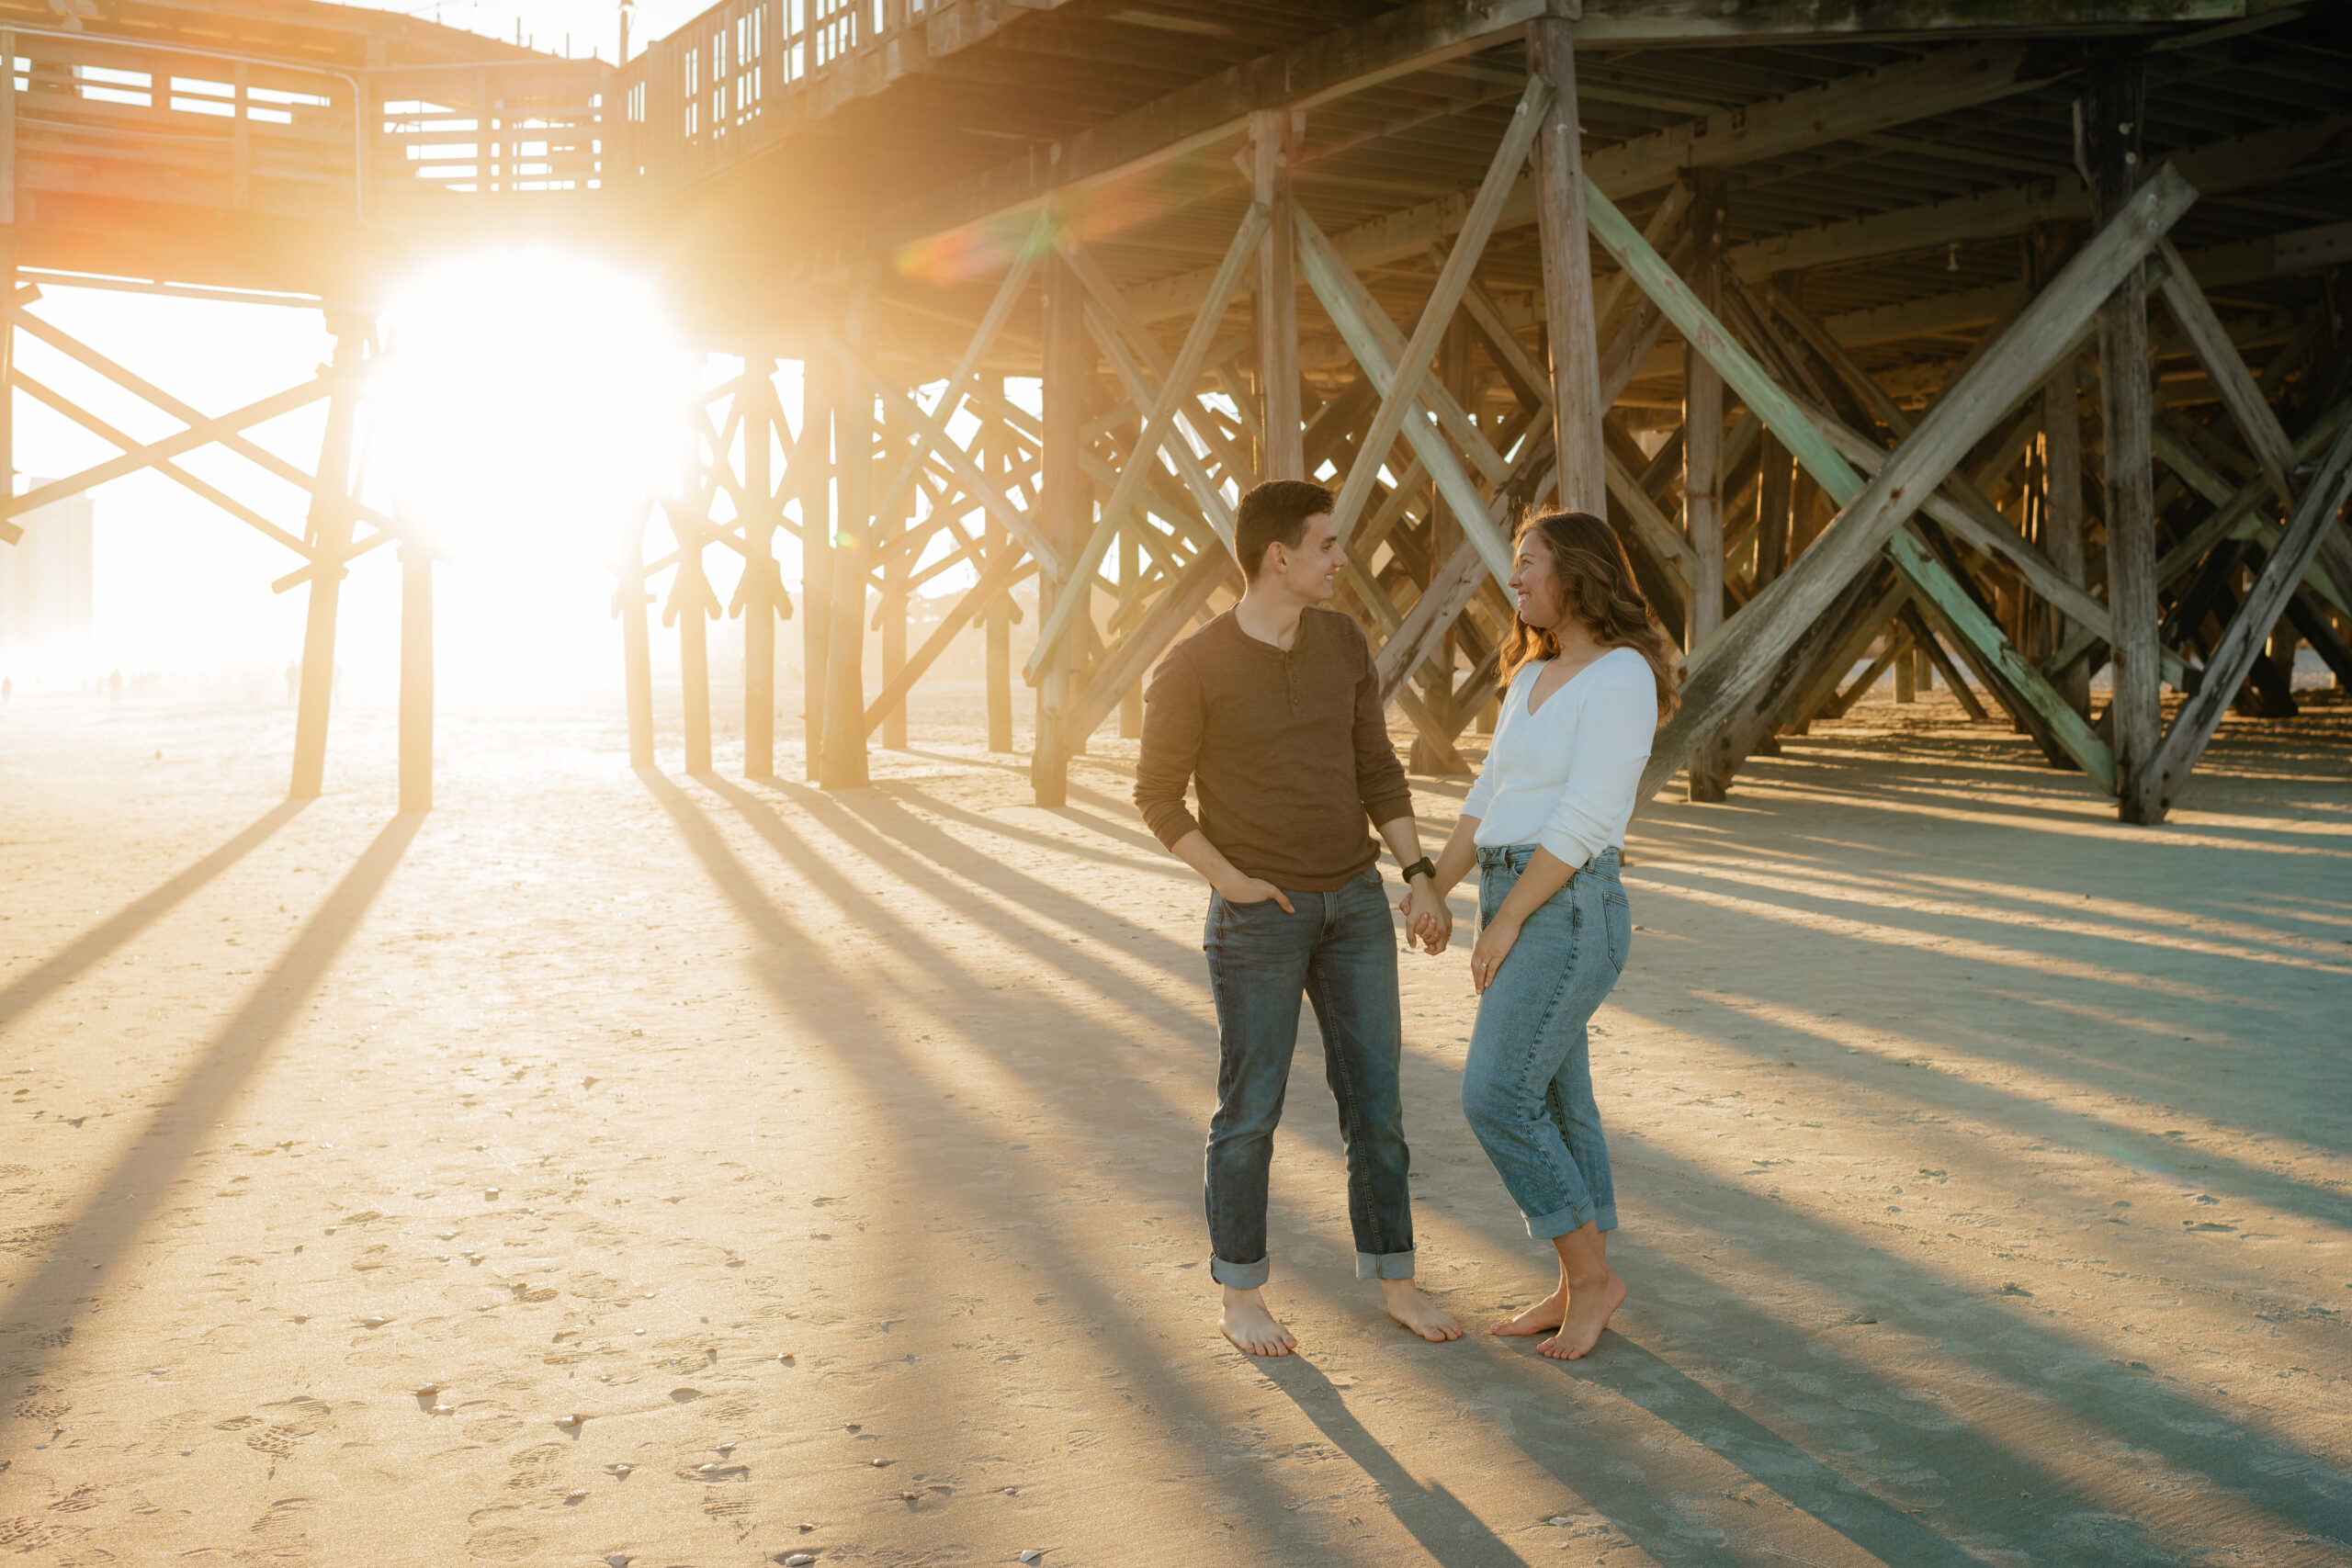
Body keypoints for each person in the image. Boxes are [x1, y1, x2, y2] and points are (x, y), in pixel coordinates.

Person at [1135, 479, 1462, 1358]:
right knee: (1250, 1110)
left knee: (1377, 1107)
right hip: (1260, 918)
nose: (1341, 558)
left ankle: (1395, 1277)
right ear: (1280, 556)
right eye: (1327, 544)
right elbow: (1157, 798)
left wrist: (1419, 872)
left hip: (1355, 900)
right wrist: (1231, 884)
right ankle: (1241, 1297)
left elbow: (1376, 766)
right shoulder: (1193, 666)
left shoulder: (1342, 640)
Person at [1415, 510, 1679, 1360]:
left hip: (1567, 906)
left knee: (1495, 1095)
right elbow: (1489, 794)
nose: (1514, 577)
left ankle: (1593, 1277)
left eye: (1528, 563)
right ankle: (1578, 1285)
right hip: (1519, 891)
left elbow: (1587, 816)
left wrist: (1508, 917)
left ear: (1579, 572)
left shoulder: (1624, 674)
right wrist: (1434, 886)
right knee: (1562, 1101)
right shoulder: (1533, 674)